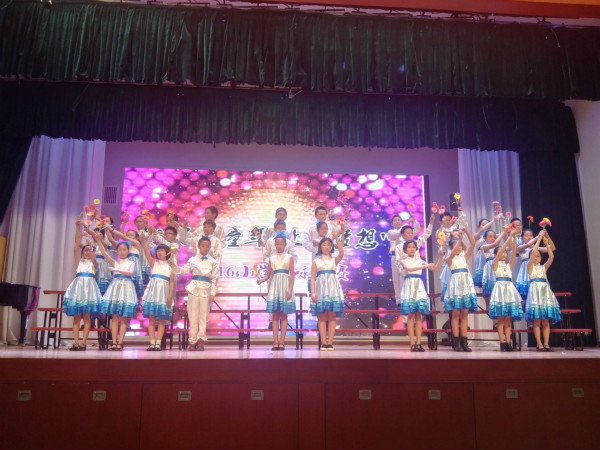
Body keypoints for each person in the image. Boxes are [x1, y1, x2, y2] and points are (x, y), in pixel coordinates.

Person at [169, 237, 219, 351]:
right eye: (203, 246)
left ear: (210, 247)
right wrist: (174, 267)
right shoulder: (193, 260)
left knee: (203, 316)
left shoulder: (213, 261)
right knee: (193, 315)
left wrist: (212, 293)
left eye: (207, 246)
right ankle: (192, 340)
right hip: (194, 288)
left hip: (206, 289)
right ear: (199, 246)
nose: (205, 248)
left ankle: (201, 340)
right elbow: (183, 271)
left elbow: (215, 278)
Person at [63, 219, 102, 351]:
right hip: (78, 290)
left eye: (89, 251)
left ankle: (83, 342)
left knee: (86, 317)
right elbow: (75, 249)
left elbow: (94, 259)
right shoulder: (79, 262)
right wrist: (81, 235)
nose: (87, 252)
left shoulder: (93, 264)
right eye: (85, 250)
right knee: (76, 317)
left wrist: (91, 246)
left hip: (89, 291)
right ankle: (76, 342)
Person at [398, 241, 443, 352]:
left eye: (413, 247)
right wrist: (426, 265)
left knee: (419, 316)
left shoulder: (420, 261)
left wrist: (440, 257)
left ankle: (419, 343)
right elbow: (410, 269)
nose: (411, 249)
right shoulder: (403, 261)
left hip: (418, 287)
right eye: (409, 247)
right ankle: (412, 343)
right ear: (405, 249)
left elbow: (436, 268)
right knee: (410, 316)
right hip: (409, 286)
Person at [96, 237, 138, 351]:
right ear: (117, 251)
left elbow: (130, 273)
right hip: (115, 289)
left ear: (128, 251)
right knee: (114, 317)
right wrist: (98, 240)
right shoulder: (115, 262)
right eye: (120, 250)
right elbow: (104, 253)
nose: (122, 252)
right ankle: (114, 342)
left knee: (124, 318)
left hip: (127, 288)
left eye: (124, 249)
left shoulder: (131, 262)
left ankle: (120, 342)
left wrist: (116, 270)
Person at [257, 233, 296, 350]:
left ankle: (282, 342)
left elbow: (292, 275)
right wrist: (261, 280)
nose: (279, 246)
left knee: (284, 316)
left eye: (281, 244)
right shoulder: (271, 259)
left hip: (285, 287)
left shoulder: (289, 257)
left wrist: (290, 289)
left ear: (285, 245)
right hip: (275, 287)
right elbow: (268, 275)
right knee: (275, 316)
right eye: (277, 244)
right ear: (275, 245)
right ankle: (275, 342)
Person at [488, 230, 523, 351]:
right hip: (500, 291)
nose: (504, 254)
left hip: (509, 291)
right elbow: (500, 251)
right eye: (501, 253)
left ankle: (508, 342)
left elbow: (513, 254)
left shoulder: (508, 266)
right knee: (501, 319)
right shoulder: (495, 264)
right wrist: (508, 239)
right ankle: (502, 343)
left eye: (504, 253)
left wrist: (514, 238)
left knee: (508, 319)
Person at [444, 226, 477, 352]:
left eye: (460, 246)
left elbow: (473, 244)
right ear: (451, 247)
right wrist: (459, 239)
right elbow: (452, 253)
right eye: (456, 245)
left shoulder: (464, 257)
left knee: (464, 314)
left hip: (465, 287)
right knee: (455, 314)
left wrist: (466, 231)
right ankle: (456, 342)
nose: (459, 247)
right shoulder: (449, 259)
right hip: (455, 287)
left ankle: (464, 341)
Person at [310, 230, 345, 351]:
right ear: (320, 247)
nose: (326, 247)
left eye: (329, 245)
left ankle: (330, 342)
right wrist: (313, 292)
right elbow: (312, 278)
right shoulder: (316, 261)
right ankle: (323, 343)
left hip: (333, 290)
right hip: (320, 290)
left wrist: (336, 237)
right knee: (321, 316)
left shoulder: (334, 259)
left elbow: (342, 252)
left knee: (332, 316)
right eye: (324, 244)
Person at [526, 231, 561, 351]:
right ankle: (539, 344)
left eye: (538, 256)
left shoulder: (543, 268)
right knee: (537, 320)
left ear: (541, 258)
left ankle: (546, 343)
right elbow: (533, 253)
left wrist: (546, 243)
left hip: (545, 293)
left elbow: (551, 257)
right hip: (536, 294)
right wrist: (539, 239)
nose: (536, 257)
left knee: (546, 320)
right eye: (534, 256)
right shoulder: (529, 267)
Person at [139, 235, 175, 351]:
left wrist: (170, 296)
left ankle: (158, 343)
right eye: (158, 251)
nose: (159, 252)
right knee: (151, 318)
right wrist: (143, 242)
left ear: (167, 253)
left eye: (162, 251)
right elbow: (146, 253)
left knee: (161, 320)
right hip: (153, 294)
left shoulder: (171, 266)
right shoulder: (154, 263)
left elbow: (171, 282)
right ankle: (152, 343)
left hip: (163, 295)